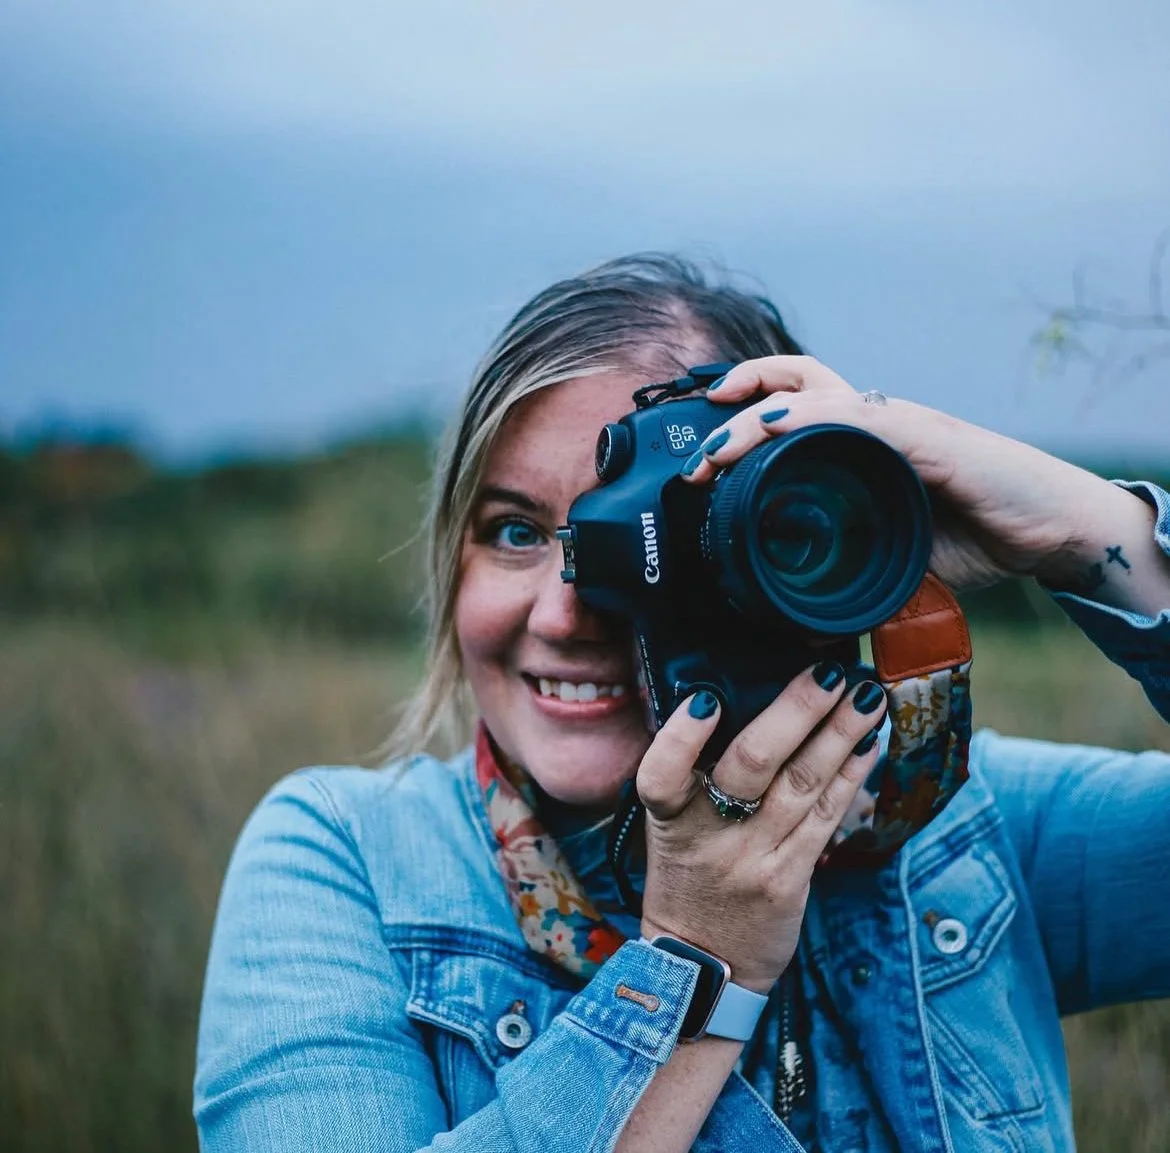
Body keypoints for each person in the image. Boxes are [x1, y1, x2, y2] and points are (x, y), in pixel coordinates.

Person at [194, 254, 1170, 1152]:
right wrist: (698, 964)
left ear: (804, 544)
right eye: (515, 531)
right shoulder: (349, 863)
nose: (568, 611)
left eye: (651, 534)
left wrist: (1089, 530)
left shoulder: (949, 830)